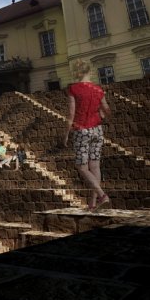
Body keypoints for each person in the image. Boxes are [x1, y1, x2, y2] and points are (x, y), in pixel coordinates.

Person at [63, 60, 111, 212]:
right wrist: (101, 117)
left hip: (81, 130)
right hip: (97, 130)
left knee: (81, 167)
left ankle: (103, 196)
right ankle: (93, 203)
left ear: (76, 73)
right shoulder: (97, 89)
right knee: (95, 165)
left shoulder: (74, 89)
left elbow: (71, 114)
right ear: (89, 71)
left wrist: (65, 134)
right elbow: (106, 109)